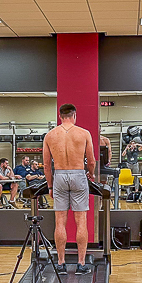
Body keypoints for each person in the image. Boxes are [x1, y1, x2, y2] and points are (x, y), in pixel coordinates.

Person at [43, 103, 95, 271]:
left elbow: (46, 165)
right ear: (74, 115)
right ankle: (81, 264)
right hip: (78, 174)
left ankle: (60, 263)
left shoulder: (50, 135)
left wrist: (50, 185)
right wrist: (91, 174)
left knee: (60, 222)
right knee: (81, 222)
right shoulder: (84, 133)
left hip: (59, 175)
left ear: (60, 116)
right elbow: (92, 161)